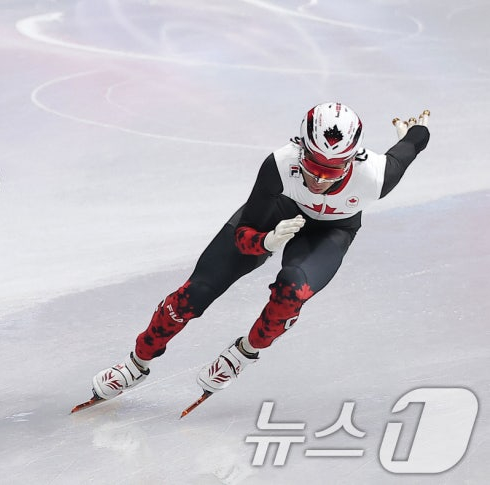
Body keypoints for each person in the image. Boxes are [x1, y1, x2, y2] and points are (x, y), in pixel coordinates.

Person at [89, 103, 430, 402]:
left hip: (332, 230)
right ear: (301, 149)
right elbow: (243, 233)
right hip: (277, 213)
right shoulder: (280, 164)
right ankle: (136, 363)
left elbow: (412, 147)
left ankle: (243, 355)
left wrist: (413, 131)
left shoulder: (376, 175)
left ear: (352, 162)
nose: (318, 181)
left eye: (331, 173)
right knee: (195, 293)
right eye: (311, 168)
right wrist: (264, 242)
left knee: (292, 292)